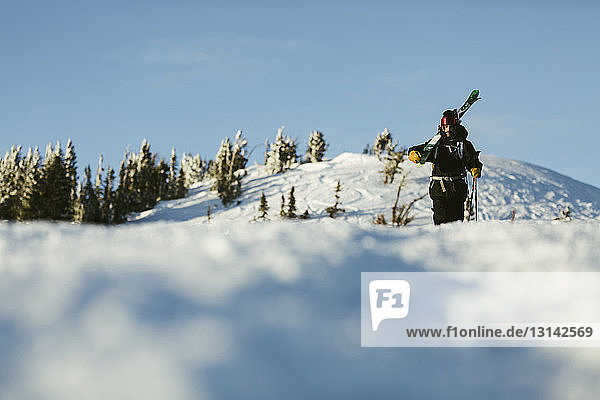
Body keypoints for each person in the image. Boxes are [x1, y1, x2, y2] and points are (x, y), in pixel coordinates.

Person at [408, 109, 483, 225]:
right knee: (441, 223)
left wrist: (475, 168)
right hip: (439, 190)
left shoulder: (464, 145)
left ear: (455, 127)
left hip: (457, 190)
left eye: (449, 127)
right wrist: (413, 153)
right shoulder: (436, 144)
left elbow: (472, 160)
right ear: (441, 128)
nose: (447, 130)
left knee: (457, 224)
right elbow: (422, 149)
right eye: (445, 127)